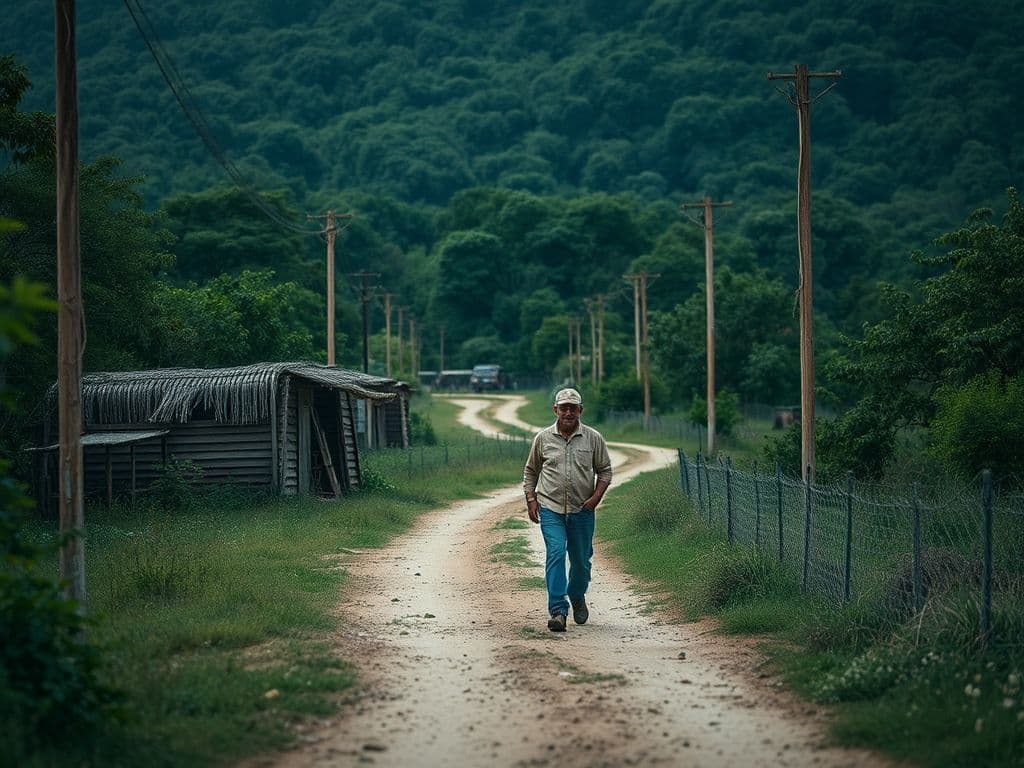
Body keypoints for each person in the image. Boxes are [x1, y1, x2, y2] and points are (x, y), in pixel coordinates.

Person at [522, 387, 613, 632]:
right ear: (555, 410)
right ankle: (558, 611)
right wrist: (531, 499)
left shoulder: (594, 438)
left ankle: (576, 595)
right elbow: (531, 471)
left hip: (582, 510)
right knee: (556, 553)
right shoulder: (542, 439)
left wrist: (595, 498)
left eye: (573, 408)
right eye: (564, 408)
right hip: (551, 508)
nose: (569, 412)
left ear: (581, 410)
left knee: (581, 562)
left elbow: (605, 471)